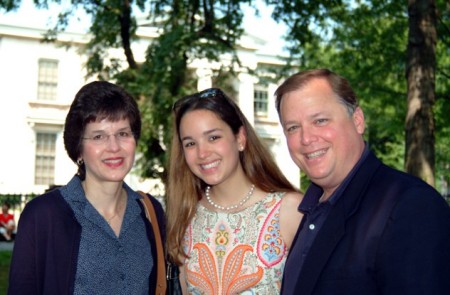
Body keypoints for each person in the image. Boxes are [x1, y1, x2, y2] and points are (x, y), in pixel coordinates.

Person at [275, 68, 450, 294]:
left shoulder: (411, 205)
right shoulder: (309, 212)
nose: (306, 138)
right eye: (293, 128)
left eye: (320, 120)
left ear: (357, 120)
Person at [8, 81, 166, 295]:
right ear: (79, 150)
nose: (114, 147)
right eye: (98, 136)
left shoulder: (149, 212)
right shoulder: (42, 216)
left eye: (123, 134)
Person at [166, 87, 303, 294]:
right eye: (191, 143)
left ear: (240, 138)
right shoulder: (184, 217)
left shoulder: (290, 210)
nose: (202, 153)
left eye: (213, 138)